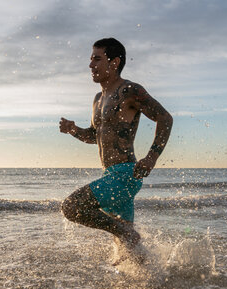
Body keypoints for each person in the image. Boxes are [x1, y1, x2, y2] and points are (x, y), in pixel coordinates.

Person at [59, 37, 173, 264]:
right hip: (110, 176)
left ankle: (126, 233)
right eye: (91, 59)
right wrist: (73, 130)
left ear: (114, 62)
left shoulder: (129, 90)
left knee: (71, 207)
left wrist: (151, 157)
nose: (91, 65)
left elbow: (165, 118)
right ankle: (161, 283)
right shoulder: (98, 99)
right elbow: (95, 136)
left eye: (97, 59)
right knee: (129, 255)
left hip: (126, 175)